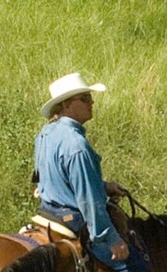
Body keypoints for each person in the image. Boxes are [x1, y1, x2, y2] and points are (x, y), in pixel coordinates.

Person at [33, 73, 147, 272]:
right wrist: (112, 240)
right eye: (84, 99)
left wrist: (104, 186)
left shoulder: (45, 134)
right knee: (136, 265)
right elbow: (89, 201)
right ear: (66, 105)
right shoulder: (77, 145)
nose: (91, 102)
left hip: (48, 213)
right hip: (73, 219)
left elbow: (59, 178)